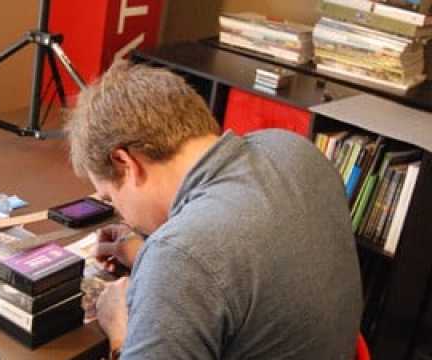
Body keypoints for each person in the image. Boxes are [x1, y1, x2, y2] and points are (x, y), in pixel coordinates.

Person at [63, 60, 363, 360]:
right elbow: (246, 259)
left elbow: (201, 256)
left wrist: (120, 332)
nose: (122, 214)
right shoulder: (295, 150)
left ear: (126, 164)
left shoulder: (181, 255)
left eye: (111, 197)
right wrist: (146, 256)